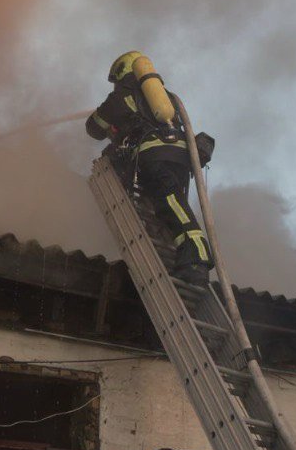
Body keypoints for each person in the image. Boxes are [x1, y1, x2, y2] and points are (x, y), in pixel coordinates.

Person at [86, 51, 214, 285]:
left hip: (152, 156)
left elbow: (93, 127)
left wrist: (106, 124)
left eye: (115, 81)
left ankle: (196, 259)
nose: (115, 86)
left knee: (171, 204)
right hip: (180, 158)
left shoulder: (122, 96)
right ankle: (182, 255)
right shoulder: (169, 98)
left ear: (121, 73)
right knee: (168, 204)